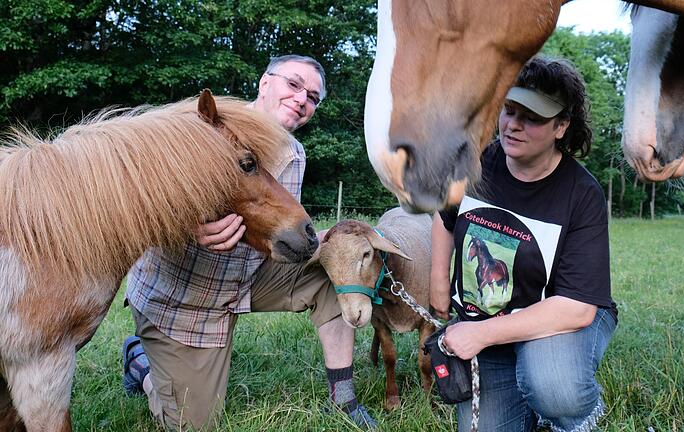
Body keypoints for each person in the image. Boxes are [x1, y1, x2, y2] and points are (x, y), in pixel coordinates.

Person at [121, 54, 377, 430]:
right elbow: (129, 201)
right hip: (185, 300)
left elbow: (276, 231)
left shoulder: (295, 155)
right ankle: (140, 363)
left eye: (313, 97)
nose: (302, 99)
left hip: (248, 277)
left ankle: (343, 399)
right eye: (294, 84)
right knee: (195, 424)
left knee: (331, 272)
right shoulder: (203, 128)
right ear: (264, 83)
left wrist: (337, 240)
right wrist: (185, 226)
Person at [430, 56, 617, 432]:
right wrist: (438, 284)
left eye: (531, 117)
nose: (513, 125)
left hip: (555, 321)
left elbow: (577, 308)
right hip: (486, 319)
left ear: (561, 126)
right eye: (509, 110)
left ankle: (575, 416)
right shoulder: (476, 161)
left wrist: (479, 334)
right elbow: (442, 216)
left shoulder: (582, 195)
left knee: (554, 386)